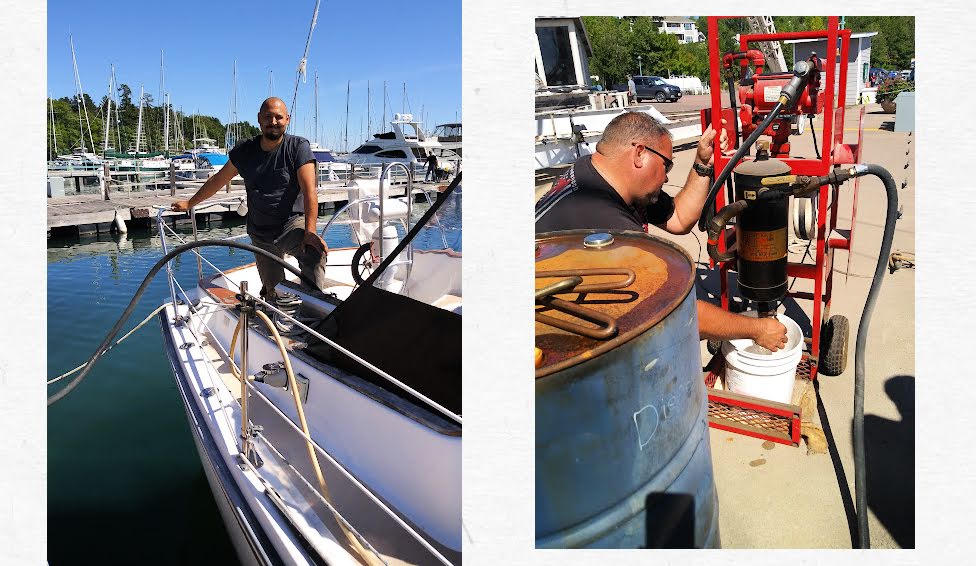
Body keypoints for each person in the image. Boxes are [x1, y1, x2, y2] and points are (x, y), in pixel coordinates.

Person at [535, 111, 789, 352]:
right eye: (666, 166)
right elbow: (673, 313)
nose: (667, 178)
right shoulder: (606, 226)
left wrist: (703, 165)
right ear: (639, 154)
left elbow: (678, 218)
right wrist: (757, 329)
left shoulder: (598, 175)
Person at [173, 97, 327, 331]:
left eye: (278, 117)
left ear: (287, 120)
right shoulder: (245, 151)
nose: (273, 122)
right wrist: (190, 203)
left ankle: (315, 311)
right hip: (260, 231)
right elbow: (218, 180)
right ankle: (273, 308)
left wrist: (310, 231)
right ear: (259, 119)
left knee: (314, 254)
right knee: (274, 292)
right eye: (268, 117)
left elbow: (309, 190)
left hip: (290, 224)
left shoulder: (298, 147)